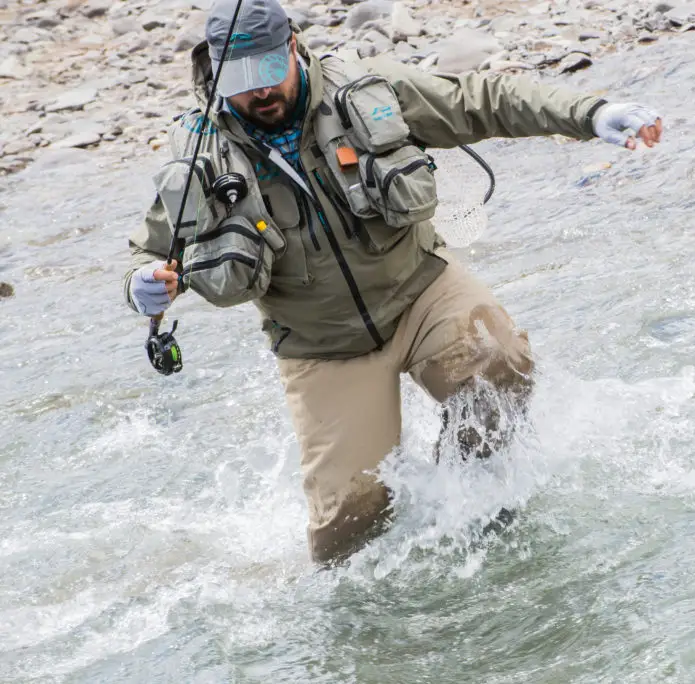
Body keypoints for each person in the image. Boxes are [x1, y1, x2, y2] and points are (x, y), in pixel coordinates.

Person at [123, 0, 663, 565]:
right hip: (322, 347)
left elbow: (483, 100)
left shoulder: (367, 90)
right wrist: (144, 284)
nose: (256, 92)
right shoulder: (201, 155)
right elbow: (151, 250)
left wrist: (591, 112)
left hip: (422, 291)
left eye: (266, 72)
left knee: (502, 366)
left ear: (292, 48)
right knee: (348, 536)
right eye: (237, 79)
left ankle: (474, 504)